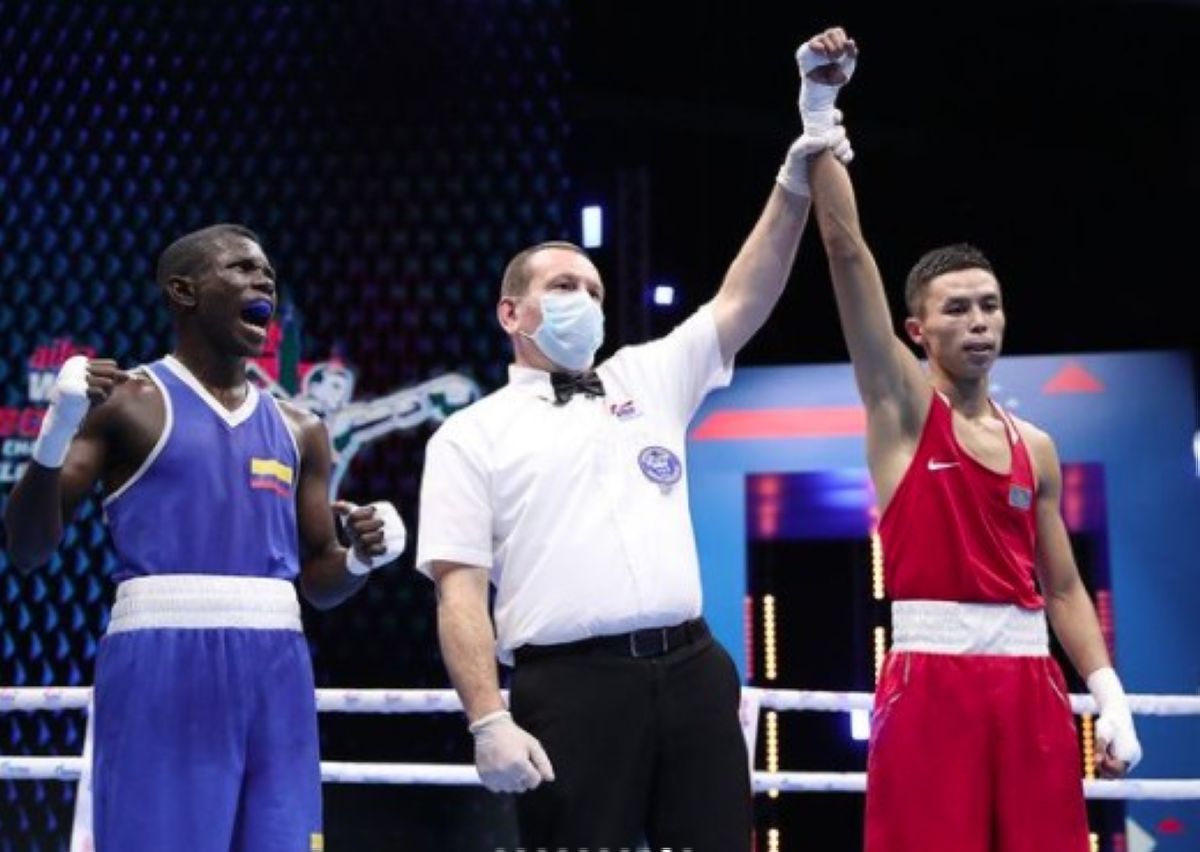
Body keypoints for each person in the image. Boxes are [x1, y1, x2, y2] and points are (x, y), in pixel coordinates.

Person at [413, 29, 853, 852]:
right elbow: (459, 595)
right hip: (566, 686)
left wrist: (797, 167)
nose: (583, 299)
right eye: (562, 286)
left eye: (592, 288)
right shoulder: (469, 435)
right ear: (511, 313)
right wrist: (487, 718)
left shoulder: (645, 376)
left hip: (693, 670)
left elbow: (745, 295)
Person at [798, 29, 1144, 852]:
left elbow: (1063, 587)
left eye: (989, 305)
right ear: (917, 331)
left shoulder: (1037, 447)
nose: (979, 321)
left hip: (1032, 684)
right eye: (957, 309)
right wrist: (819, 108)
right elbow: (846, 253)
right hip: (930, 681)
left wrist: (1109, 693)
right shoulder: (901, 411)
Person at [3, 223, 407, 852]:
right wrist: (56, 432)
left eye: (267, 271)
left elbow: (319, 581)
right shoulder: (127, 402)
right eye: (241, 268)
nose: (263, 279)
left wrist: (360, 557)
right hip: (161, 657)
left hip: (278, 663)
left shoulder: (301, 428)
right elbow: (27, 549)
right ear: (183, 291)